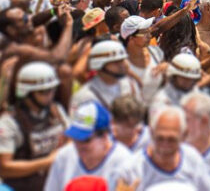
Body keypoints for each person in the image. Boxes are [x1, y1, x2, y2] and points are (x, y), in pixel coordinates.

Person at [0, 62, 67, 190]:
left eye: (52, 90)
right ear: (27, 93)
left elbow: (71, 137)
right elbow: (4, 168)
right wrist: (46, 163)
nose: (50, 95)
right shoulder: (10, 122)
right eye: (44, 92)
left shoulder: (56, 111)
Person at [120, 105, 210, 190]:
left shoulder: (192, 159)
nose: (164, 146)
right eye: (160, 139)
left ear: (184, 135)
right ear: (151, 133)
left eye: (171, 140)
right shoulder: (132, 169)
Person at [44, 101, 132, 191]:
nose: (78, 145)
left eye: (85, 140)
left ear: (104, 136)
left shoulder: (125, 163)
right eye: (75, 138)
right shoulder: (64, 157)